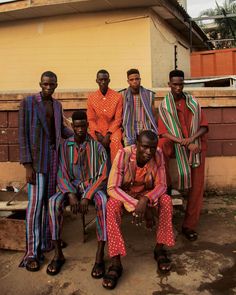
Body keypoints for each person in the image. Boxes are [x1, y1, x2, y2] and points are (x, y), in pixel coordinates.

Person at [102, 130, 175, 290]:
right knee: (111, 206)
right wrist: (136, 204)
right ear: (136, 144)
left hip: (147, 194)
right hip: (125, 194)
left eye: (152, 148)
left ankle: (160, 249)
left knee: (167, 201)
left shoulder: (158, 154)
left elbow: (162, 185)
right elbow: (112, 187)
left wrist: (145, 199)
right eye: (145, 147)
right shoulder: (124, 154)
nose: (149, 152)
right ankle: (116, 263)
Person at [19, 71, 73, 271]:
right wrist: (27, 165)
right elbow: (22, 136)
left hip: (53, 161)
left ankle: (49, 241)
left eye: (52, 84)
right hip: (36, 162)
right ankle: (32, 252)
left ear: (56, 85)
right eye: (45, 84)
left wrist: (81, 134)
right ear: (40, 84)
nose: (48, 87)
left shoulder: (58, 106)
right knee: (34, 207)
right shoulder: (28, 103)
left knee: (50, 203)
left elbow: (62, 131)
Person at [47, 111, 108, 277]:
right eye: (77, 126)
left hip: (92, 186)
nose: (80, 129)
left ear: (87, 125)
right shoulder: (65, 146)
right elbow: (61, 171)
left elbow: (102, 174)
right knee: (53, 202)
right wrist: (71, 194)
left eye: (83, 125)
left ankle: (100, 255)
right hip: (71, 185)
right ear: (72, 126)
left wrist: (87, 195)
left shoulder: (97, 146)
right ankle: (58, 253)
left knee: (103, 202)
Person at [158, 69, 208, 241]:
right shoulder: (164, 105)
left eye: (181, 84)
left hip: (194, 144)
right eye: (175, 84)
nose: (178, 87)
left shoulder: (192, 102)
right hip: (175, 142)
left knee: (197, 185)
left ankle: (189, 225)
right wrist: (182, 141)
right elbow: (163, 133)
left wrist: (192, 140)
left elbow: (204, 126)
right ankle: (166, 190)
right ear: (169, 84)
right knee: (161, 148)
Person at [87, 69, 123, 163]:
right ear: (97, 81)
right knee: (91, 142)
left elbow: (118, 119)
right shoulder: (91, 98)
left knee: (116, 141)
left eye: (105, 79)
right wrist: (98, 134)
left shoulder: (117, 97)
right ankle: (97, 173)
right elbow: (91, 119)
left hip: (113, 129)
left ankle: (115, 170)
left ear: (109, 80)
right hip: (96, 129)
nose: (103, 82)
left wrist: (108, 134)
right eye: (100, 80)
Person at [120, 68, 158, 146]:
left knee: (149, 143)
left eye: (137, 79)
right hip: (129, 126)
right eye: (132, 79)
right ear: (128, 81)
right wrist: (122, 129)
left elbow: (154, 115)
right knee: (128, 145)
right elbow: (120, 114)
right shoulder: (122, 95)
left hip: (145, 126)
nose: (134, 81)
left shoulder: (149, 95)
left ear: (140, 80)